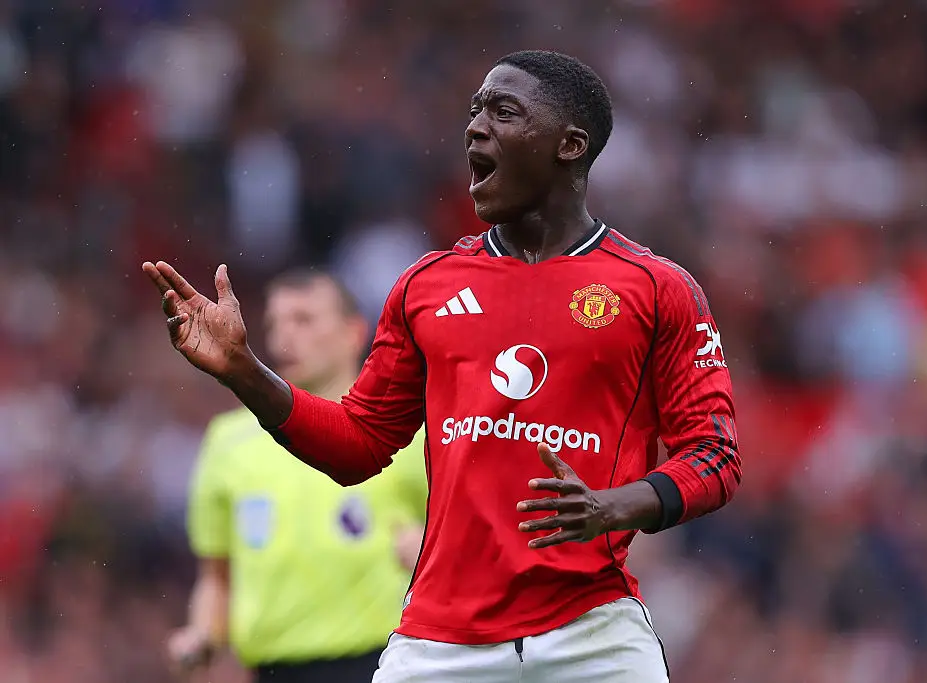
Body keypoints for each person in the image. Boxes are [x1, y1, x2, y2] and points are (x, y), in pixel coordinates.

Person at [144, 50, 741, 683]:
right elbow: (358, 445)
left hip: (592, 634)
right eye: (474, 111)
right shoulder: (426, 287)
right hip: (441, 647)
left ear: (570, 145)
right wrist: (242, 370)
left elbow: (715, 455)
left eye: (503, 111)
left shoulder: (656, 289)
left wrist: (620, 505)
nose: (476, 127)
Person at [165, 269, 427, 683]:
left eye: (304, 320)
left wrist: (431, 556)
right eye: (275, 323)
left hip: (384, 664)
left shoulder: (408, 433)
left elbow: (474, 542)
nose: (284, 337)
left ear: (354, 333)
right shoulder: (228, 442)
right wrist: (202, 636)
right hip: (273, 670)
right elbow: (216, 578)